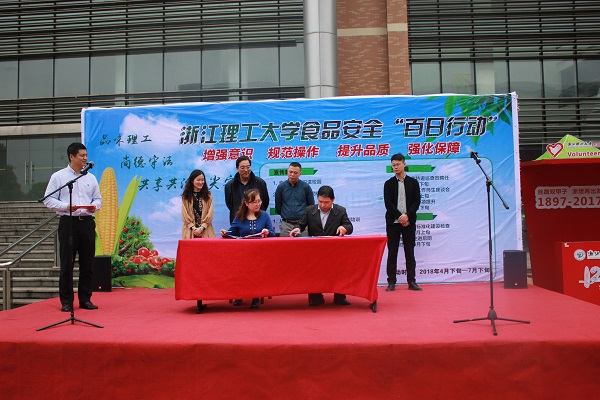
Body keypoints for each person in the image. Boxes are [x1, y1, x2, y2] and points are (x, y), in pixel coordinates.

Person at [43, 142, 102, 312]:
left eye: (86, 155)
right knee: (67, 265)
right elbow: (48, 199)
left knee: (87, 264)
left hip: (87, 223)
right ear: (71, 156)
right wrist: (66, 206)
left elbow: (98, 199)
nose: (85, 158)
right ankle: (67, 301)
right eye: (82, 155)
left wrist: (94, 206)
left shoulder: (90, 178)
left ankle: (85, 299)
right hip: (68, 223)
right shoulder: (59, 177)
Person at [289, 185, 353, 306]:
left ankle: (340, 296)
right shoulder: (310, 210)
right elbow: (301, 224)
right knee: (314, 272)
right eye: (320, 201)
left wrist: (344, 228)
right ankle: (316, 297)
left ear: (333, 199)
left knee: (338, 272)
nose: (323, 205)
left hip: (334, 249)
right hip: (315, 249)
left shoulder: (340, 211)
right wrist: (297, 228)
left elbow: (349, 226)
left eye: (326, 202)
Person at [220, 188, 275, 309]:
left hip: (260, 252)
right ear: (246, 203)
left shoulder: (264, 215)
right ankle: (240, 295)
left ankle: (256, 296)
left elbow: (272, 233)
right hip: (243, 252)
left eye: (259, 201)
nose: (258, 204)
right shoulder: (239, 216)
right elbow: (231, 233)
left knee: (257, 268)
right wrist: (225, 233)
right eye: (254, 202)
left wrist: (267, 232)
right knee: (239, 268)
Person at [383, 152, 422, 292]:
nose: (395, 167)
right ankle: (391, 281)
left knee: (409, 252)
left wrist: (407, 216)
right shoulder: (388, 184)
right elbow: (388, 203)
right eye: (393, 165)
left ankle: (411, 281)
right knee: (392, 252)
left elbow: (416, 201)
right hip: (393, 223)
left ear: (404, 164)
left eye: (398, 164)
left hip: (409, 222)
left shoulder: (413, 182)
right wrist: (400, 217)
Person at [224, 155, 269, 223]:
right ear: (237, 168)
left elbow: (265, 201)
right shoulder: (230, 185)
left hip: (257, 220)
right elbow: (230, 205)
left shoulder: (260, 183)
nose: (246, 170)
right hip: (238, 221)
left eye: (248, 167)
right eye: (242, 168)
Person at [274, 161, 314, 237]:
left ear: (300, 173)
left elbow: (311, 206)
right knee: (285, 244)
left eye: (295, 173)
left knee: (303, 244)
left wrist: (304, 221)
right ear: (287, 172)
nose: (292, 175)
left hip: (302, 225)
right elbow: (278, 206)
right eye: (290, 172)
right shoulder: (281, 187)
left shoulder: (305, 187)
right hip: (286, 224)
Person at [181, 169, 216, 239]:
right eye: (198, 180)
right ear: (192, 181)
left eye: (202, 180)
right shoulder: (186, 196)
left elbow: (210, 213)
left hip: (206, 230)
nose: (201, 182)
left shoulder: (208, 196)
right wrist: (193, 227)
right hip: (190, 231)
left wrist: (201, 228)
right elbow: (184, 214)